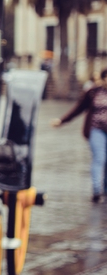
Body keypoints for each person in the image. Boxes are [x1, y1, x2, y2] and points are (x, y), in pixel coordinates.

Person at [52, 68, 107, 202]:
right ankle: (96, 190)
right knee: (99, 158)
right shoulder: (93, 92)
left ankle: (105, 190)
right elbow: (79, 108)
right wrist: (62, 120)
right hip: (96, 130)